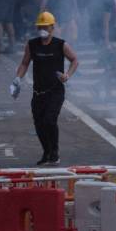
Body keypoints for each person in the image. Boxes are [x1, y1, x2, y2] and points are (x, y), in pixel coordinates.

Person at [11, 12, 78, 165]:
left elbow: (74, 60)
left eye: (45, 27)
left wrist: (67, 75)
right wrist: (17, 78)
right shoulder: (32, 44)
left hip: (55, 91)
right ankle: (46, 152)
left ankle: (54, 152)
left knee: (49, 120)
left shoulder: (61, 44)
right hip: (38, 92)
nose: (42, 29)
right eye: (39, 27)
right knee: (38, 123)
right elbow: (25, 63)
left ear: (52, 27)